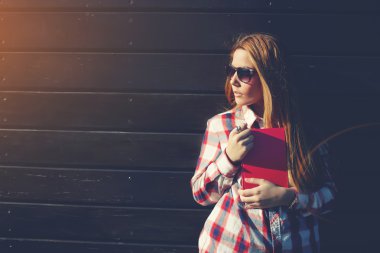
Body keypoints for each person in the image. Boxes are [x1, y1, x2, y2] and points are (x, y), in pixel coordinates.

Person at [191, 33, 336, 253]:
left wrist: (288, 197)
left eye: (244, 73)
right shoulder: (221, 125)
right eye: (231, 70)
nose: (233, 80)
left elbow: (330, 197)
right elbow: (201, 195)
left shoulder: (303, 131)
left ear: (269, 77)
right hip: (232, 245)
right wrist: (229, 158)